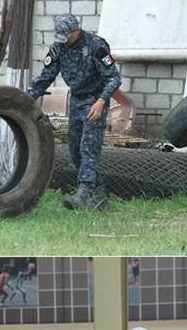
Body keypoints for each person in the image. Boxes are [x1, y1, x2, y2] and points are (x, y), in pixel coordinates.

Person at [27, 13, 121, 211]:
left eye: (67, 37)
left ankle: (83, 193)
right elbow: (46, 76)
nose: (64, 41)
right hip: (77, 101)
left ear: (77, 30)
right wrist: (26, 99)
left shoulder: (97, 46)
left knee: (89, 148)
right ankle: (100, 197)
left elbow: (114, 78)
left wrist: (102, 101)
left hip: (95, 102)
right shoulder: (58, 47)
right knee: (75, 150)